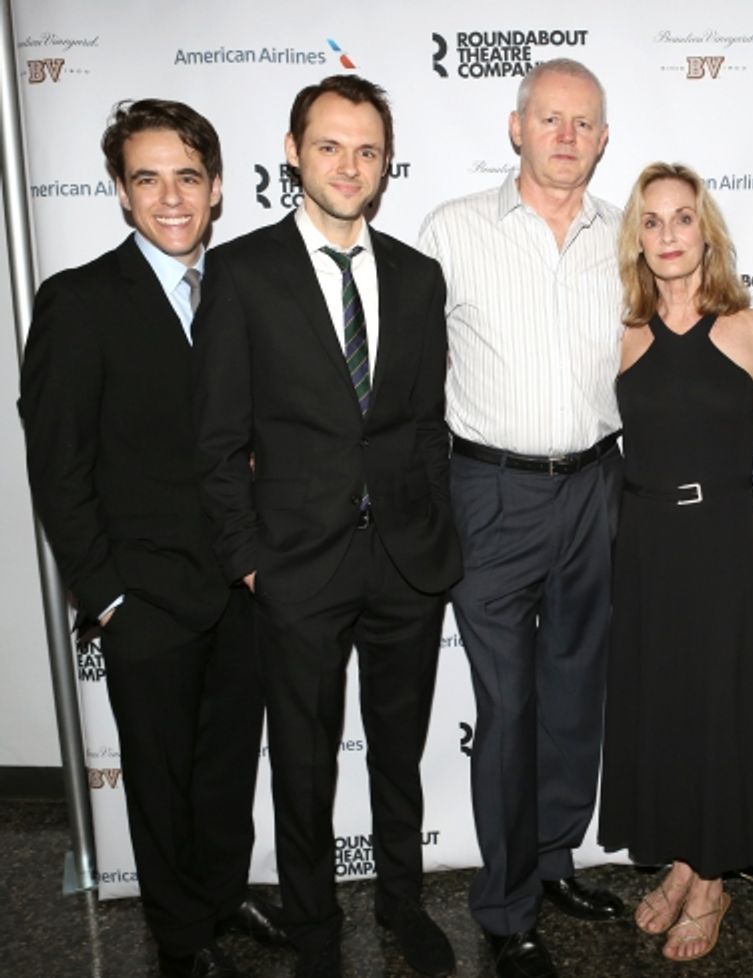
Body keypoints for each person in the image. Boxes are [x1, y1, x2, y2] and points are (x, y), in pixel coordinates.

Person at [192, 75, 462, 978]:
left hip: (405, 565)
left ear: (387, 164)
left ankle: (401, 904)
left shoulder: (420, 279)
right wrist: (250, 565)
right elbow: (219, 440)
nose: (350, 165)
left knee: (398, 757)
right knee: (303, 769)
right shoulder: (241, 273)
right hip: (296, 570)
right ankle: (314, 930)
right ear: (293, 151)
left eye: (368, 150)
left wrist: (435, 538)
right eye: (331, 146)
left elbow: (425, 425)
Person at [20, 99, 286, 978]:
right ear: (123, 194)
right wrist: (109, 597)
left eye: (187, 177)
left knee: (222, 772)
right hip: (146, 599)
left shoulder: (245, 290)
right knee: (161, 780)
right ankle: (181, 936)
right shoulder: (79, 302)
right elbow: (59, 468)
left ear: (215, 189)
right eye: (147, 179)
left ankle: (221, 893)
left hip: (244, 588)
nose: (170, 197)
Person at [417, 58, 623, 978]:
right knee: (508, 705)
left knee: (576, 691)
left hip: (596, 486)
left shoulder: (626, 238)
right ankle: (504, 909)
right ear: (516, 127)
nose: (567, 136)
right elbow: (412, 382)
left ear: (604, 137)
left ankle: (552, 859)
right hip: (490, 493)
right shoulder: (451, 231)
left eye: (584, 122)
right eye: (551, 119)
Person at [597, 162, 753, 962]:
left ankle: (712, 882)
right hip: (644, 543)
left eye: (682, 217)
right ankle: (678, 856)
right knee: (663, 705)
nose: (667, 234)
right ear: (636, 236)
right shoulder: (621, 331)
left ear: (707, 229)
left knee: (718, 707)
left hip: (720, 542)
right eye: (652, 220)